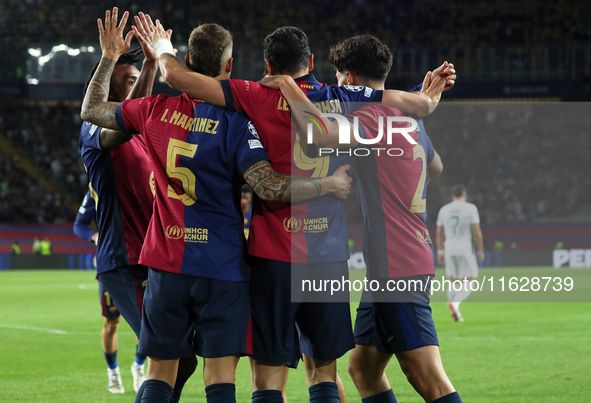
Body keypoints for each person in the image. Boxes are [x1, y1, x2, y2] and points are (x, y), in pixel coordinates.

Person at [146, 16, 452, 402]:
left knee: (267, 379)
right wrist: (425, 99)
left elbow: (177, 79)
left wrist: (162, 48)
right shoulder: (341, 97)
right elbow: (401, 102)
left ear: (269, 67)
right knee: (324, 372)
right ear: (310, 62)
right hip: (327, 256)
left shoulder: (252, 94)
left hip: (272, 256)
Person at [81, 10, 352, 403]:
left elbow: (92, 110)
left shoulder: (154, 109)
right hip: (224, 265)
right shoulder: (239, 122)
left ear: (188, 62)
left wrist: (109, 57)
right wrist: (328, 184)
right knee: (223, 376)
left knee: (159, 373)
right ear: (229, 65)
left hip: (168, 260)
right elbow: (268, 185)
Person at [266, 34, 461, 403]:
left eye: (338, 78)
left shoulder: (369, 120)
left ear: (350, 79)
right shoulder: (407, 116)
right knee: (363, 370)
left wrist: (289, 86)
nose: (336, 87)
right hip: (406, 257)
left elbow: (316, 132)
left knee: (429, 379)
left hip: (396, 265)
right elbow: (435, 166)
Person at [78, 10, 197, 400]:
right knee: (168, 351)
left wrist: (149, 63)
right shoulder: (94, 131)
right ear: (106, 82)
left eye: (134, 84)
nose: (131, 90)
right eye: (124, 82)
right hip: (124, 259)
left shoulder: (140, 132)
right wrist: (110, 56)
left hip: (152, 256)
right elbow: (119, 124)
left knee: (185, 356)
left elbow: (135, 115)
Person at [73, 189, 146, 393]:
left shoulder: (141, 177)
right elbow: (79, 224)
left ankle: (139, 367)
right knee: (111, 322)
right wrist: (94, 235)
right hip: (112, 263)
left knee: (145, 321)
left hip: (141, 261)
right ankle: (113, 372)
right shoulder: (97, 188)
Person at [436, 184, 484, 322]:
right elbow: (476, 232)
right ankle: (455, 304)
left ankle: (455, 314)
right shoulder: (470, 208)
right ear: (464, 194)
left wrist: (440, 251)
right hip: (465, 249)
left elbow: (439, 233)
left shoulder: (444, 210)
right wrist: (480, 249)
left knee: (453, 280)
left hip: (449, 249)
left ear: (452, 195)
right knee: (471, 279)